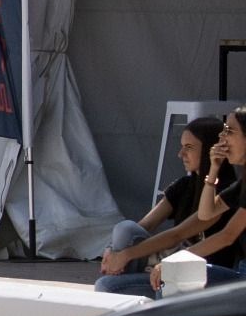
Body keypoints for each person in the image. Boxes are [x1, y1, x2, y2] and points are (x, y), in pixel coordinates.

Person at [98, 118, 231, 295]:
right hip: (170, 265)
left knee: (107, 286)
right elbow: (142, 226)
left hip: (200, 271)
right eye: (182, 146)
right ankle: (122, 278)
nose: (181, 154)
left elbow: (177, 234)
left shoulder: (228, 190)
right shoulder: (184, 185)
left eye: (189, 147)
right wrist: (111, 249)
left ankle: (125, 285)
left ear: (210, 149)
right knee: (125, 229)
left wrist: (125, 255)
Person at [149, 112, 246, 293]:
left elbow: (227, 236)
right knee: (111, 285)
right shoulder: (242, 184)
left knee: (178, 273)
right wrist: (214, 169)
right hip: (241, 272)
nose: (222, 139)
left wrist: (176, 259)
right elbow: (206, 213)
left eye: (230, 131)